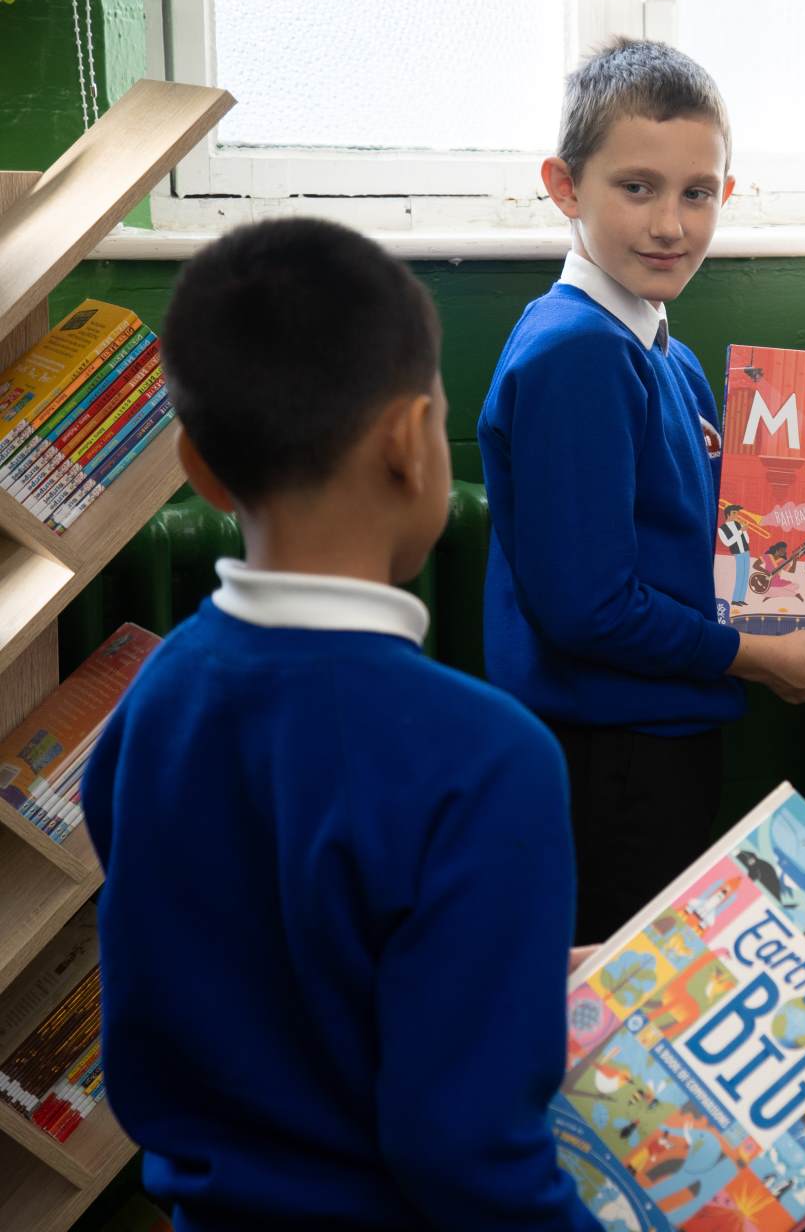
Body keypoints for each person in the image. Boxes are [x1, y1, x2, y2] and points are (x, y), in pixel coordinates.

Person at [79, 218, 600, 1231]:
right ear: (411, 441)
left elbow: (258, 948)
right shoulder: (489, 758)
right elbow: (467, 1152)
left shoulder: (152, 697)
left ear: (198, 465)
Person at [478, 39, 805, 941]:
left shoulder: (666, 353)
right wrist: (763, 656)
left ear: (726, 194)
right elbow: (588, 609)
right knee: (620, 997)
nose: (670, 224)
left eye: (697, 193)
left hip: (657, 734)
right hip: (606, 756)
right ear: (564, 186)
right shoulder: (579, 355)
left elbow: (710, 540)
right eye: (637, 187)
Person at [717, 502, 752, 606]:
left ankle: (741, 599)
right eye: (734, 513)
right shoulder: (722, 529)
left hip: (746, 551)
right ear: (728, 514)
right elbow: (728, 543)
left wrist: (744, 531)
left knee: (745, 575)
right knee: (740, 575)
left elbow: (747, 541)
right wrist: (740, 531)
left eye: (737, 513)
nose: (737, 515)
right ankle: (735, 599)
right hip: (738, 553)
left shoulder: (738, 524)